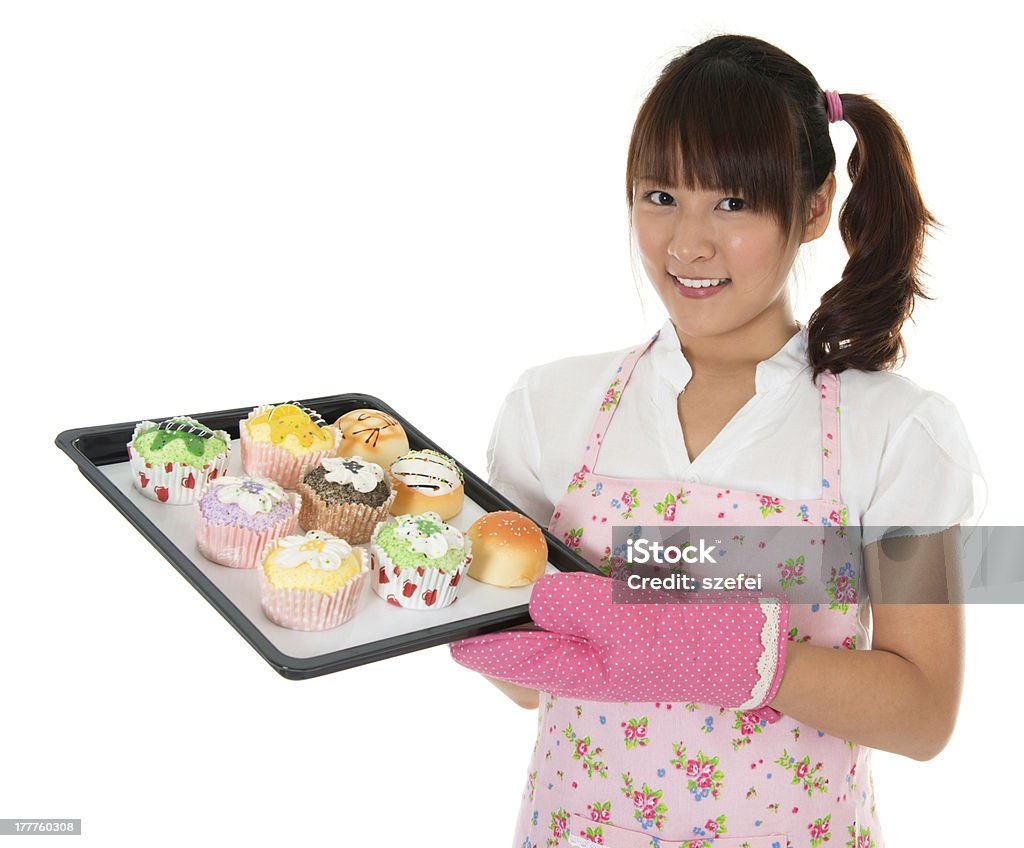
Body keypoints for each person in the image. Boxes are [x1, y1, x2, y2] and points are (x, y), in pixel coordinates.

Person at [450, 34, 985, 848]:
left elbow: (922, 715)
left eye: (732, 202)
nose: (687, 243)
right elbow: (528, 684)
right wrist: (432, 588)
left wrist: (749, 660)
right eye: (660, 195)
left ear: (812, 208)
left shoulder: (896, 431)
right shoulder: (551, 407)